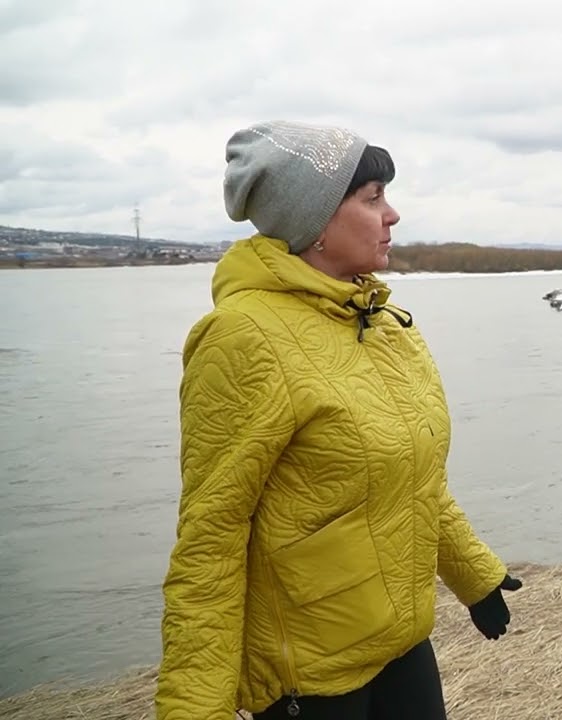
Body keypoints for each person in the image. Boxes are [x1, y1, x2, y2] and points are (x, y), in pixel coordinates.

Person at [155, 120, 522, 720]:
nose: (392, 214)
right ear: (317, 224)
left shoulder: (383, 324)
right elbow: (211, 538)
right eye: (373, 198)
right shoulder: (243, 338)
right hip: (311, 678)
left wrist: (473, 573)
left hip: (401, 641)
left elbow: (413, 479)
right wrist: (196, 707)